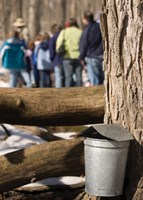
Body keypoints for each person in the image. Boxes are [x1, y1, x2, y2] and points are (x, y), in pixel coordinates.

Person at [56, 18, 82, 87]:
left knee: (68, 77)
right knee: (78, 76)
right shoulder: (80, 32)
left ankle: (69, 93)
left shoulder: (64, 32)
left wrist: (59, 51)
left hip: (67, 56)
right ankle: (80, 92)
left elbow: (58, 44)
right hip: (78, 56)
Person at [79, 11, 104, 85]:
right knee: (102, 78)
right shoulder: (99, 26)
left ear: (85, 19)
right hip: (101, 55)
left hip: (91, 56)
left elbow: (83, 44)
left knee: (94, 80)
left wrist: (81, 57)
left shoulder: (87, 30)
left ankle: (97, 95)